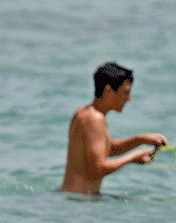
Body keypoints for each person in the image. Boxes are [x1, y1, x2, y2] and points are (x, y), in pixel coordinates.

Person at [59, 62, 168, 195]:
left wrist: (140, 140)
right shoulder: (94, 119)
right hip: (82, 202)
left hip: (74, 198)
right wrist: (132, 157)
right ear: (108, 90)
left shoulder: (83, 112)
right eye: (125, 93)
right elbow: (98, 169)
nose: (129, 99)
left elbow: (102, 149)